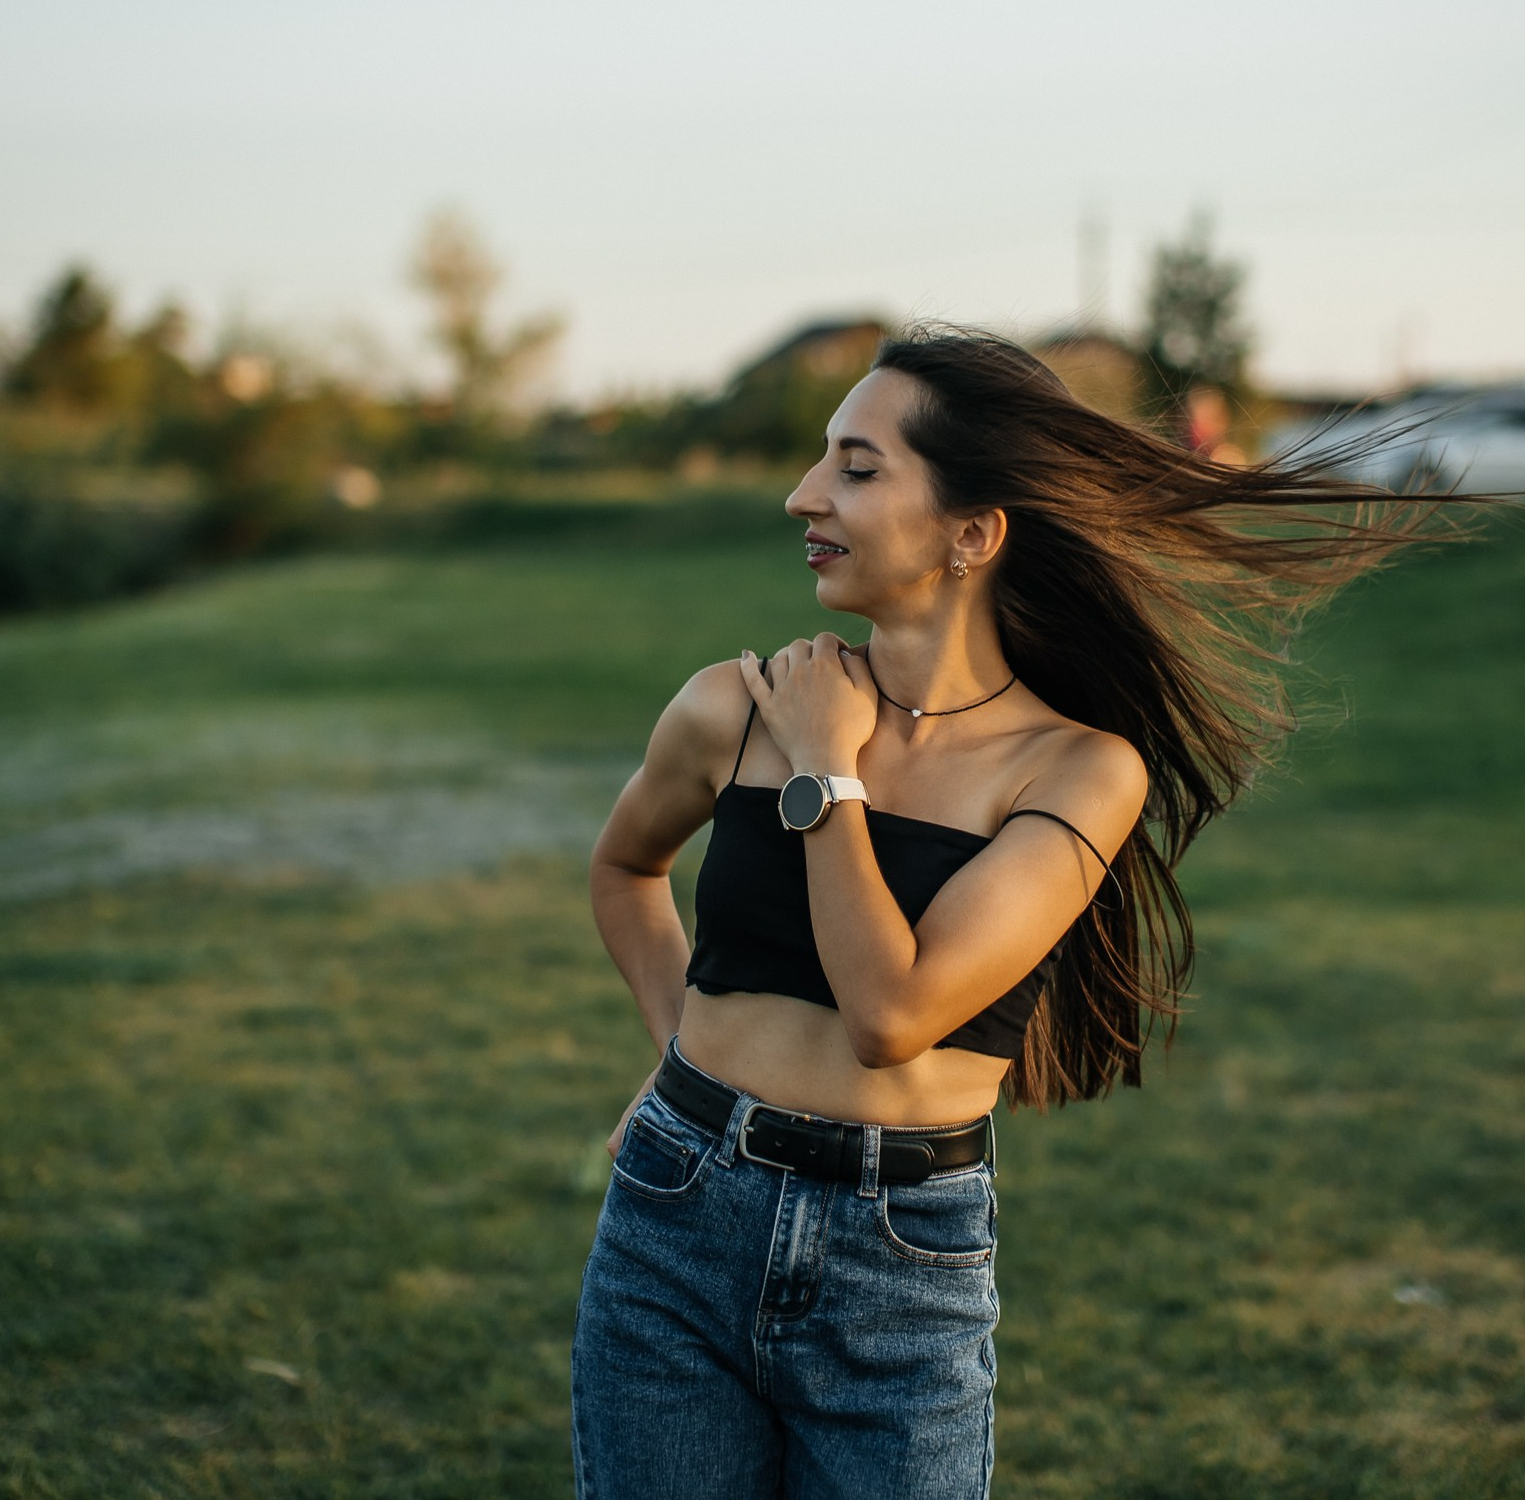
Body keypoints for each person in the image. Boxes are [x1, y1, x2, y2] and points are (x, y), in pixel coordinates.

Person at [572, 328, 1432, 1499]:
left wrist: (828, 769)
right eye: (822, 459)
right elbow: (625, 868)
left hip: (898, 1268)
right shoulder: (732, 706)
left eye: (857, 468)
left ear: (972, 533)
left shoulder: (1076, 773)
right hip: (674, 1223)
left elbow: (893, 1015)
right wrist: (683, 1058)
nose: (804, 494)